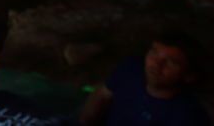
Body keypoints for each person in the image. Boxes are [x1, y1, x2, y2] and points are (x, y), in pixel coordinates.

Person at [80, 32, 211, 125]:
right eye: (154, 53)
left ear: (189, 76)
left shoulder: (188, 116)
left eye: (171, 62)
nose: (156, 64)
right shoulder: (132, 69)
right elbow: (102, 95)